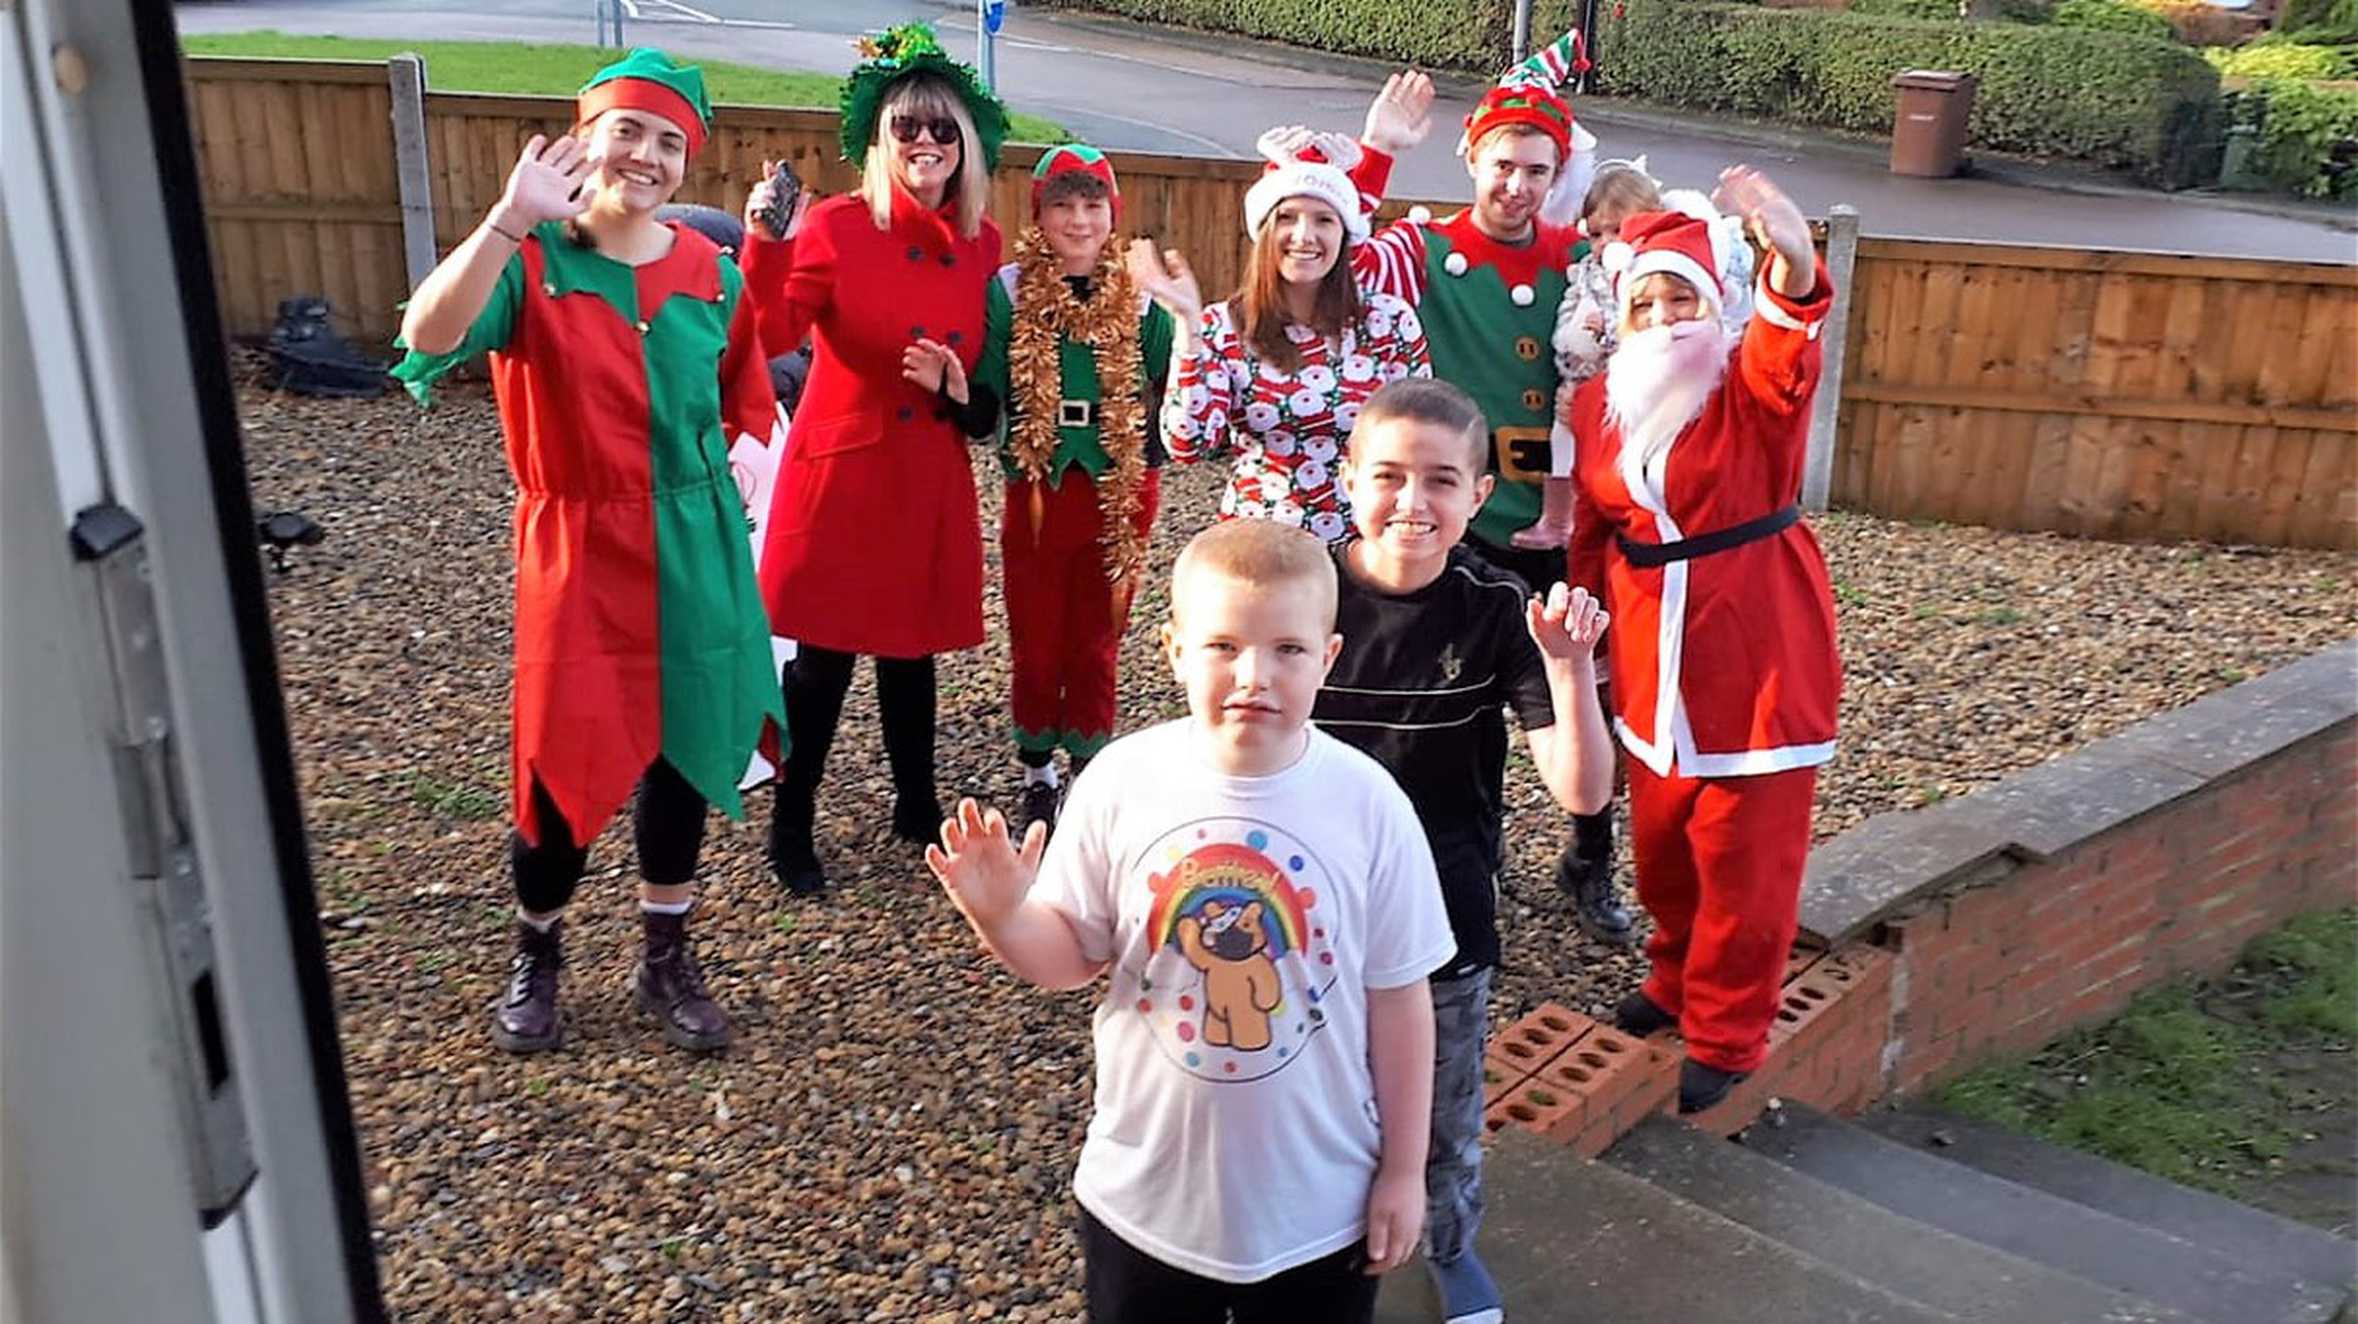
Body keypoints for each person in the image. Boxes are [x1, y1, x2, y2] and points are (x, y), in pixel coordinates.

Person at [925, 519, 1453, 1322]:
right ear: (1173, 650)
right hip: (1145, 1204)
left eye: (1287, 649)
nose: (1254, 675)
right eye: (1223, 647)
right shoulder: (1122, 780)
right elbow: (1072, 957)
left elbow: (1399, 999)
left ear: (1328, 657)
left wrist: (1404, 1170)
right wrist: (1002, 916)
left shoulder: (1371, 805)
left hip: (1320, 1207)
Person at [390, 48, 780, 1054]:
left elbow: (745, 392)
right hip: (576, 538)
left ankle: (664, 954)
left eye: (667, 141)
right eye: (627, 130)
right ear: (587, 136)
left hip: (695, 543)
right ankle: (540, 950)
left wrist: (739, 451)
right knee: (561, 754)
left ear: (687, 161)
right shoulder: (530, 263)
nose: (645, 156)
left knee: (684, 751)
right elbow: (427, 335)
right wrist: (505, 218)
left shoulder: (712, 273)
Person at [1314, 378, 1614, 1324]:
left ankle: (1448, 1247)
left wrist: (1571, 674)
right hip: (1304, 911)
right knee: (1304, 1103)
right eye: (1390, 476)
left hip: (1443, 911)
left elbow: (1583, 790)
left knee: (1440, 1115)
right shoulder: (1304, 589)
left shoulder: (1498, 609)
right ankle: (1305, 1253)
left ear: (1478, 496)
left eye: (1442, 481)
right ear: (1347, 477)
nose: (1413, 502)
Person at [1345, 34, 1634, 946]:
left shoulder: (1579, 260)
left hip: (1557, 523)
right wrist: (1378, 148)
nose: (1517, 186)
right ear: (1473, 156)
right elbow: (1331, 253)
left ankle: (1590, 856)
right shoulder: (1425, 249)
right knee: (1467, 697)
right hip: (1453, 521)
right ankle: (1479, 853)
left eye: (1538, 171)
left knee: (1582, 689)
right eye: (1504, 164)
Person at [1564, 166, 1840, 1115]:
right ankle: (1673, 977)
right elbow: (1595, 527)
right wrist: (1586, 626)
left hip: (1751, 643)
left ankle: (1728, 1030)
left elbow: (1787, 343)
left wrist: (1793, 261)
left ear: (1714, 302)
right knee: (1662, 844)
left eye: (1682, 295)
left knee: (1745, 856)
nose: (1664, 314)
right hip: (1648, 647)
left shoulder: (1749, 389)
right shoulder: (1599, 403)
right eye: (1645, 299)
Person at [738, 23, 1009, 895]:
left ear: (964, 143)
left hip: (925, 471)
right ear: (880, 141)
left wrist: (953, 387)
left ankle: (915, 807)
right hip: (845, 470)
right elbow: (771, 332)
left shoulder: (981, 241)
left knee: (911, 653)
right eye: (907, 128)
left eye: (942, 129)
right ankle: (793, 819)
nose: (925, 143)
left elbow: (981, 395)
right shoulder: (838, 225)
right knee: (822, 660)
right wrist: (766, 240)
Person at [969, 143, 1175, 837]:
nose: (1079, 220)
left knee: (1098, 632)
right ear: (1040, 214)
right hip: (1038, 484)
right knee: (1034, 628)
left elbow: (1179, 387)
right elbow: (988, 387)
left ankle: (1089, 765)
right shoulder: (1007, 289)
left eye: (1093, 205)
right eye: (1063, 204)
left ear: (1112, 215)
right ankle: (1037, 768)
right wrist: (954, 392)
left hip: (1120, 484)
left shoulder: (1142, 294)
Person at [1129, 129, 1431, 546]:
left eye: (1324, 219)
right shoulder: (1224, 325)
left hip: (1366, 550)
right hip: (1260, 551)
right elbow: (1188, 443)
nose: (1304, 235)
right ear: (1263, 232)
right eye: (1287, 218)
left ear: (1345, 234)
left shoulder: (1389, 323)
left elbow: (1420, 437)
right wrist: (1188, 325)